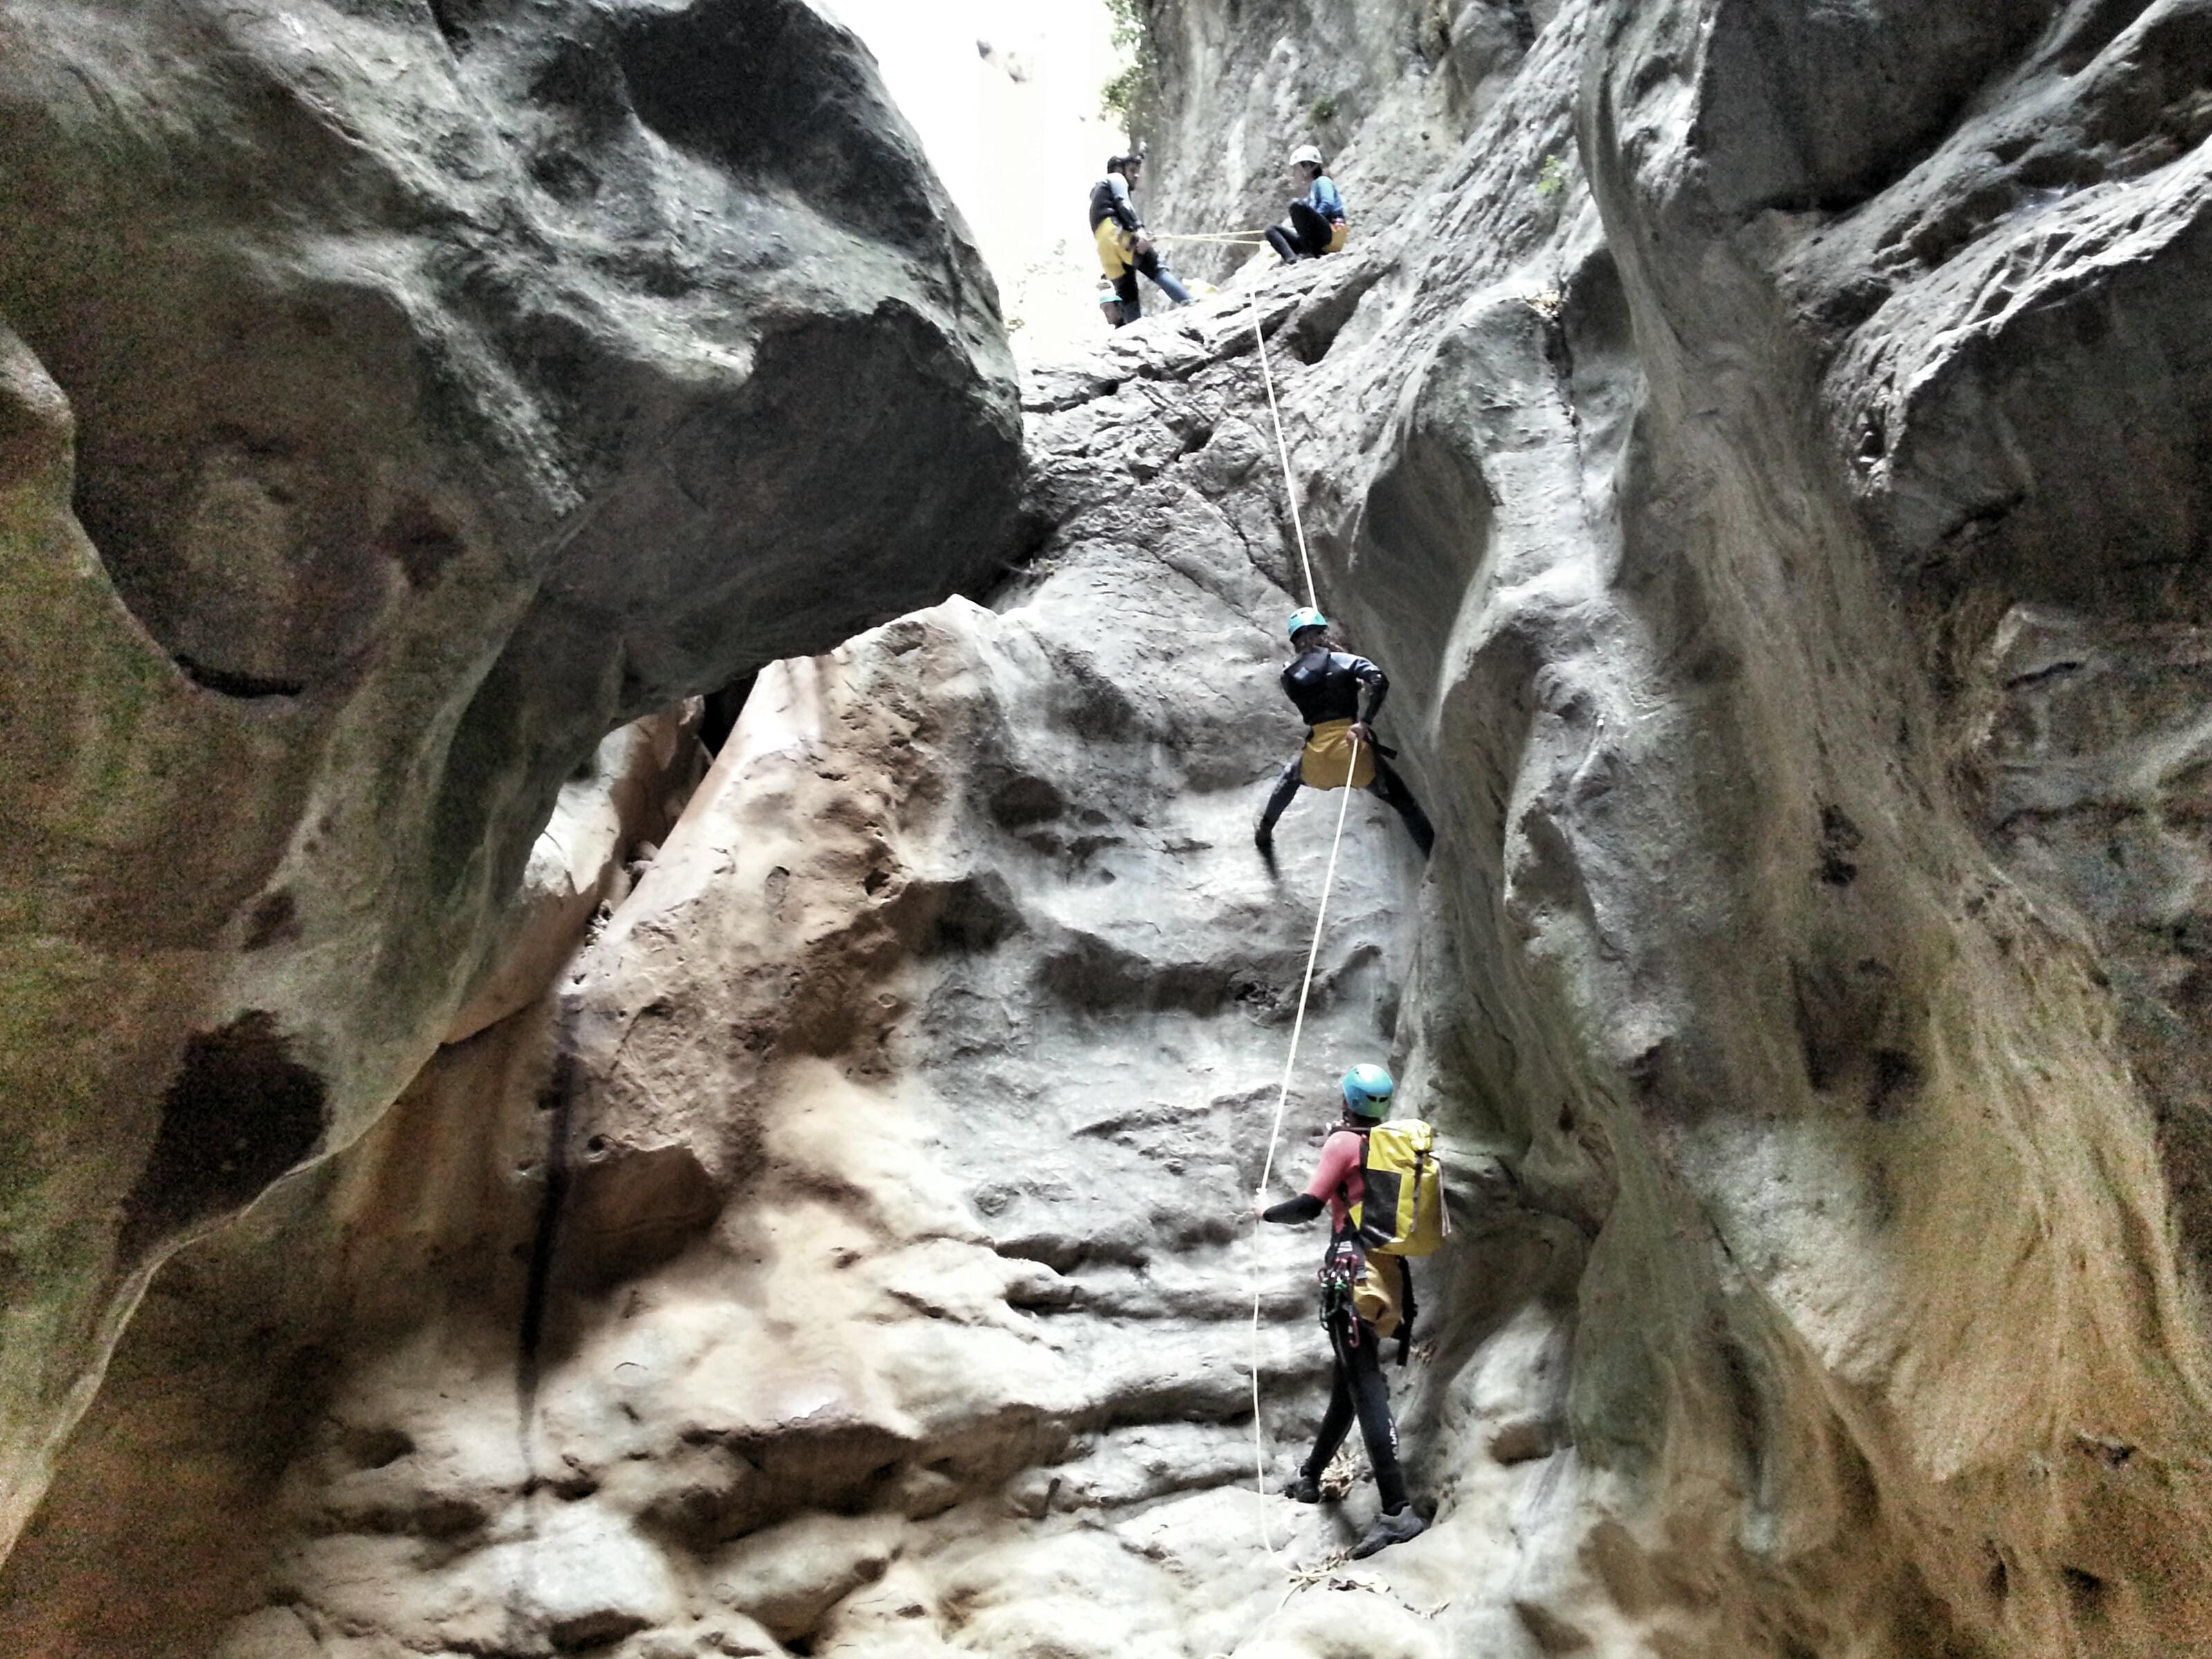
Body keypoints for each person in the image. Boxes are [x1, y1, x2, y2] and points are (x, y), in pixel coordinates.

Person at [1257, 1063, 1428, 1559]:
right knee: (1350, 1384)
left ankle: (1398, 1512)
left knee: (1366, 1388)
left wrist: (1265, 1212)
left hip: (1351, 1279)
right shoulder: (1397, 1146)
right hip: (1390, 1277)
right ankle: (1310, 1476)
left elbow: (1310, 1206)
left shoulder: (1344, 1144)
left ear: (1346, 1100)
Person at [1255, 608, 1435, 857]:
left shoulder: (1288, 675)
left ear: (1295, 640)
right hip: (1353, 751)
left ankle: (1264, 831)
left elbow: (1315, 682)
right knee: (1407, 806)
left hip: (1319, 756)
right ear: (1323, 634)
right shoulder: (1345, 662)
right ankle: (1433, 855)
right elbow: (1379, 680)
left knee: (1291, 778)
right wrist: (1364, 722)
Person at [1089, 154, 1193, 326]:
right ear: (1118, 169)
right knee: (1156, 268)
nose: (1136, 175)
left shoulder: (1098, 194)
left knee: (1127, 292)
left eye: (1138, 171)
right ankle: (1190, 303)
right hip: (1116, 235)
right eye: (1132, 170)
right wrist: (1139, 230)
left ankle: (1133, 332)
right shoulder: (1116, 178)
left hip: (1104, 249)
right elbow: (1123, 203)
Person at [1264, 145, 1349, 264]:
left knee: (1296, 205)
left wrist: (1312, 220)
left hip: (1331, 233)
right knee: (1271, 229)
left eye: (1296, 169)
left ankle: (1307, 250)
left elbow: (1328, 203)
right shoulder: (1311, 193)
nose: (1294, 173)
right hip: (1316, 240)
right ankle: (1292, 260)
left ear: (1308, 167)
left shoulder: (1323, 181)